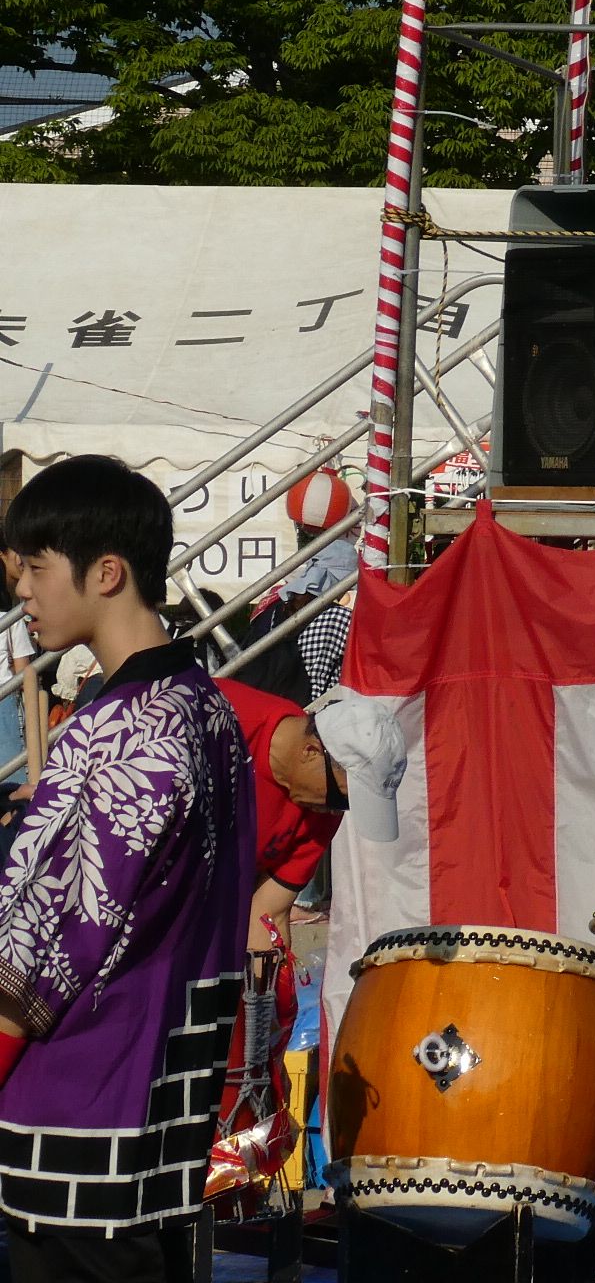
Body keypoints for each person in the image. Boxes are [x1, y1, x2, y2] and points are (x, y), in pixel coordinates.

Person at [0, 455, 258, 1281]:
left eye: (37, 568)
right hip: (163, 1115)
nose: (23, 593)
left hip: (78, 1117)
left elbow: (32, 953)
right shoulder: (208, 710)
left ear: (106, 571)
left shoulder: (117, 734)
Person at [213, 678, 406, 953]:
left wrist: (267, 994)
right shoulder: (216, 717)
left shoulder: (322, 807)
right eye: (342, 797)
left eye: (350, 804)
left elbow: (268, 917)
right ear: (312, 752)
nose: (336, 810)